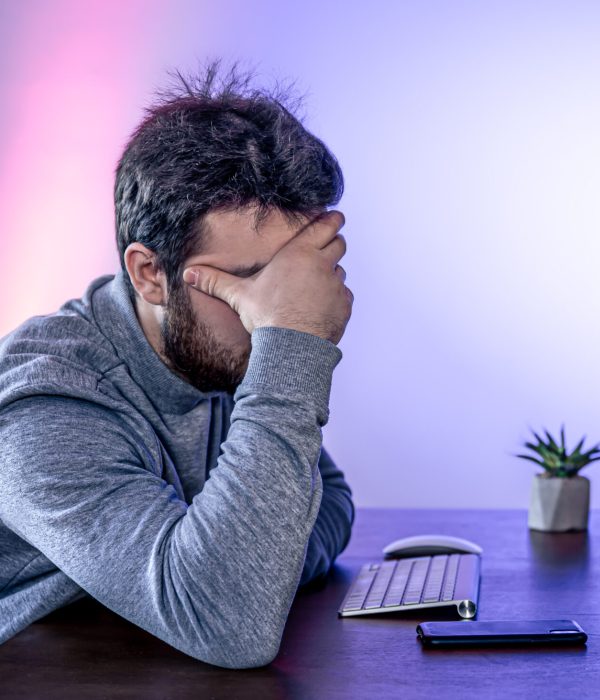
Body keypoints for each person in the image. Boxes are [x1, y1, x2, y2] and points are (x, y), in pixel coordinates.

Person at [0, 62, 354, 669]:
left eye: (293, 283)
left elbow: (334, 500)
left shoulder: (214, 360)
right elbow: (230, 624)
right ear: (149, 274)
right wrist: (294, 340)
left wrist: (243, 566)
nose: (270, 312)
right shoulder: (45, 410)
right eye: (246, 282)